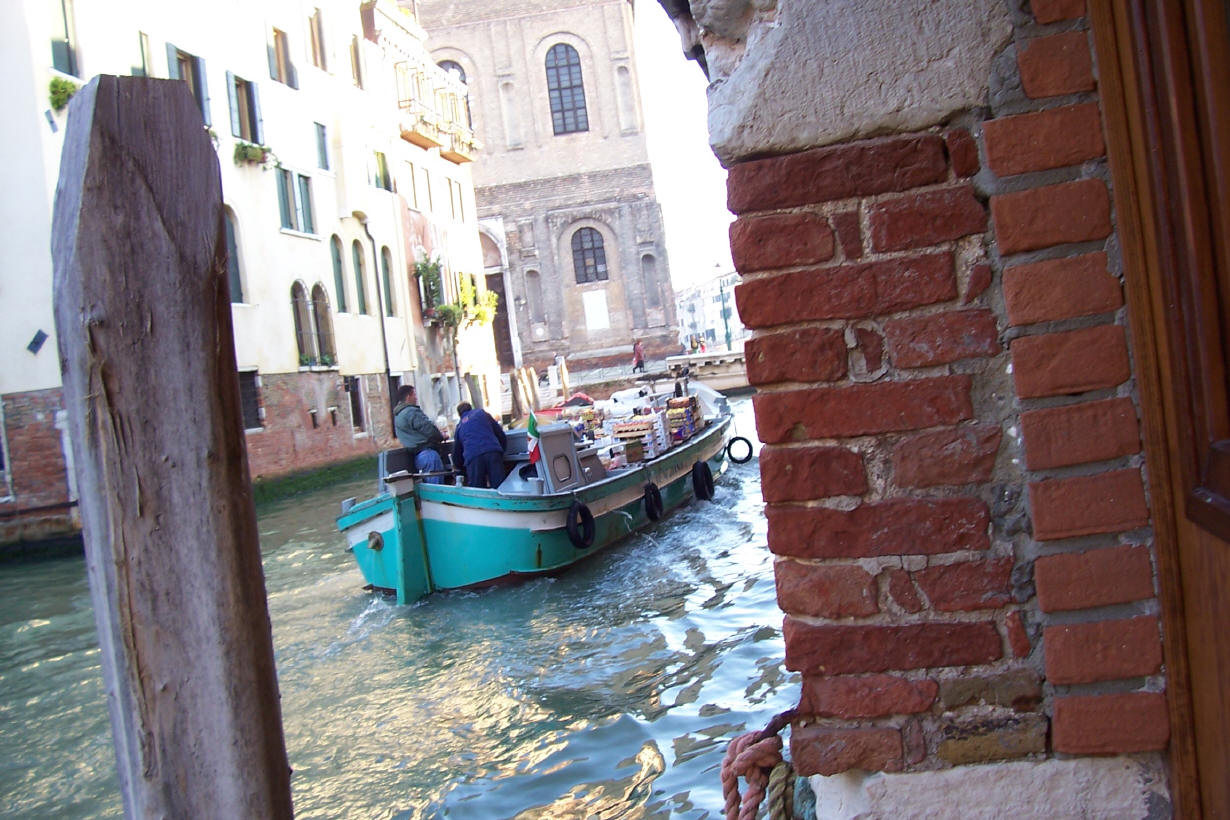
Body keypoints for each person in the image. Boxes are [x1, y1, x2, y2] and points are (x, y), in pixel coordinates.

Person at [392, 385, 447, 483]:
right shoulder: (411, 412)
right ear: (408, 397)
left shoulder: (398, 414)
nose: (416, 398)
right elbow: (429, 429)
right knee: (436, 488)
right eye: (414, 395)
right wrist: (441, 436)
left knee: (429, 487)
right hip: (428, 454)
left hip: (417, 455)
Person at [452, 402, 508, 488]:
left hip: (473, 458)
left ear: (460, 414)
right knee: (500, 486)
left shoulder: (459, 426)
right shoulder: (482, 413)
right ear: (471, 408)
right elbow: (500, 434)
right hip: (492, 452)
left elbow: (457, 453)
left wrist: (461, 469)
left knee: (477, 490)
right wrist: (501, 451)